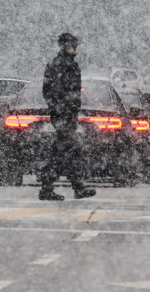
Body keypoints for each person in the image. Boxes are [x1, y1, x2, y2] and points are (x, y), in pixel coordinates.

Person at [40, 33, 96, 201]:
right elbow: (54, 92)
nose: (74, 48)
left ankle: (67, 187)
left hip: (66, 114)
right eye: (71, 45)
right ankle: (56, 187)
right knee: (65, 151)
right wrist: (64, 111)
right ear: (64, 46)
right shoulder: (60, 65)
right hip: (63, 115)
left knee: (65, 151)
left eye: (75, 45)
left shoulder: (66, 64)